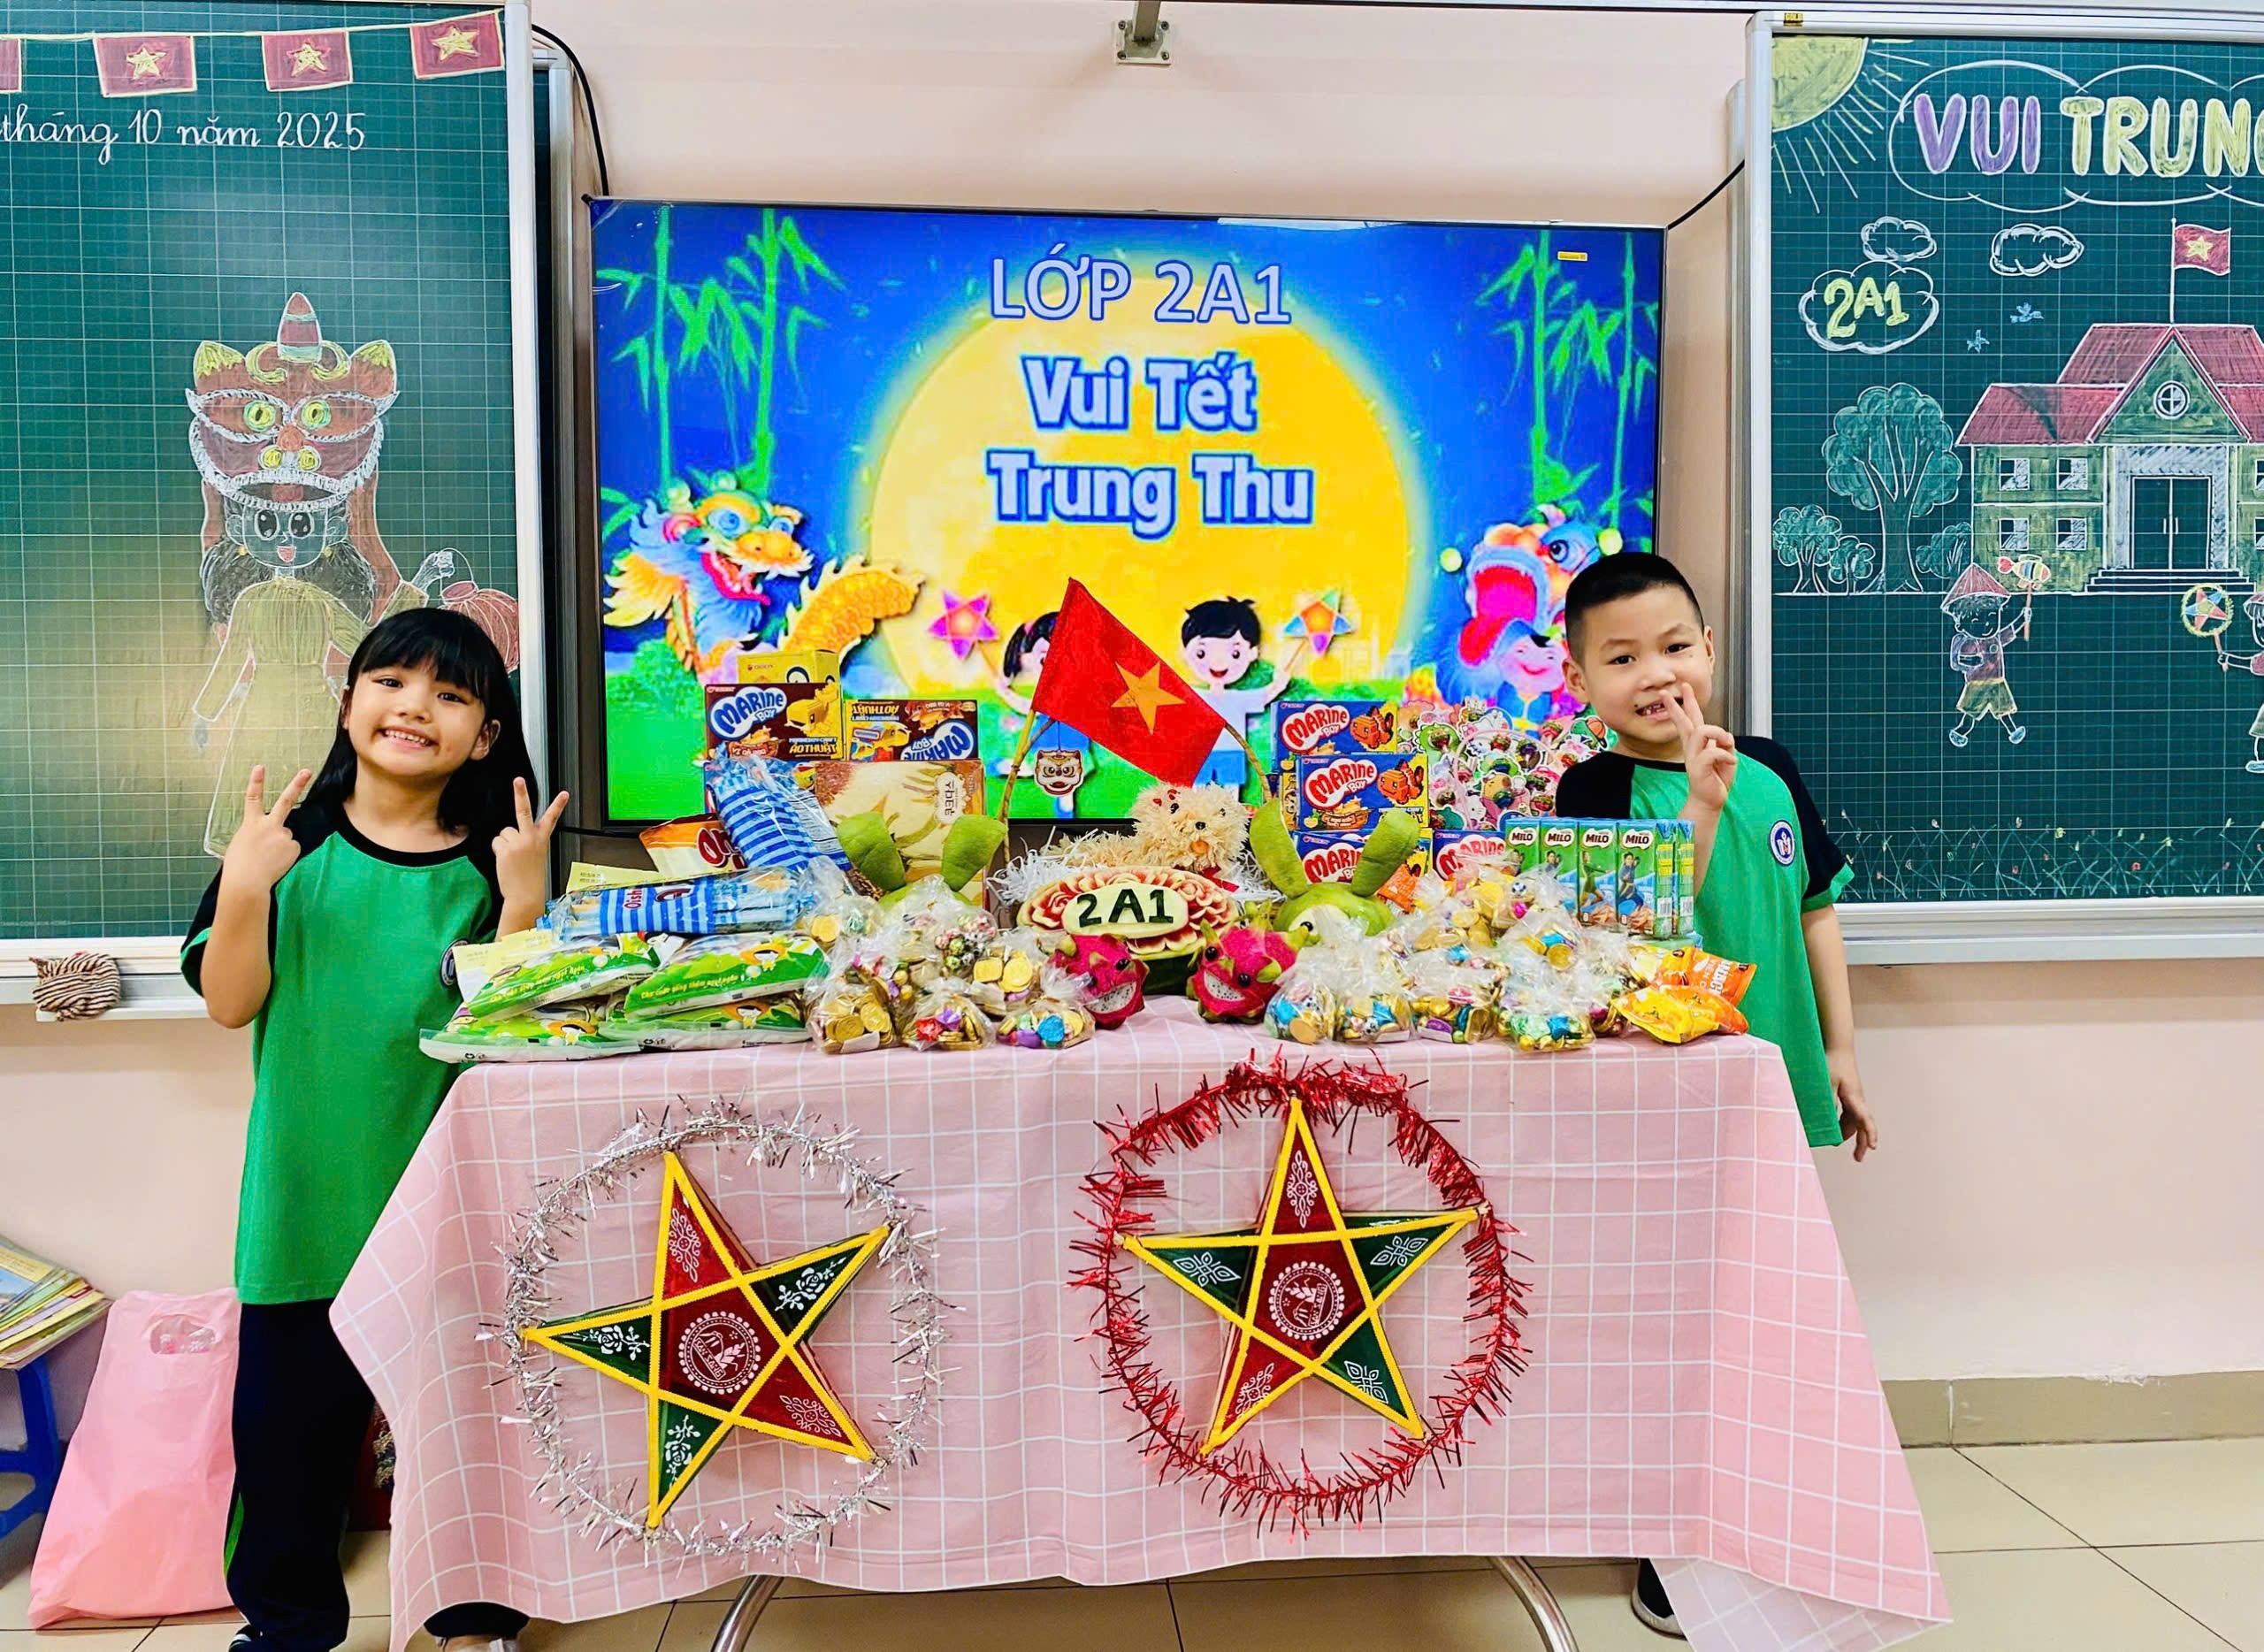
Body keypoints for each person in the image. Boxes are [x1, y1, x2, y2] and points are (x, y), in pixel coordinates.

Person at [182, 608, 564, 1652]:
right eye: (392, 681)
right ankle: (288, 1626)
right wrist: (250, 884)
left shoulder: (495, 864)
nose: (415, 707)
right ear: (348, 699)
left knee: (464, 1427)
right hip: (305, 1200)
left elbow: (515, 1036)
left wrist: (525, 911)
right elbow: (229, 1001)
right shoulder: (284, 843)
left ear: (486, 734)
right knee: (287, 1441)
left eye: (450, 695)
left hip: (449, 1205)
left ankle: (477, 1616)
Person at [1552, 553, 1880, 1639]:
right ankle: (1668, 1540)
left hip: (1774, 1082)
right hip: (1663, 1104)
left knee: (1762, 1310)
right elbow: (1629, 932)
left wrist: (1838, 1049)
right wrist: (1695, 801)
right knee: (1675, 1318)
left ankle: (1757, 1517)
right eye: (1623, 656)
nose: (1656, 674)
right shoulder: (1593, 789)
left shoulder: (1773, 765)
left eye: (1675, 645)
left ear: (1708, 647)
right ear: (1580, 675)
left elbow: (1815, 910)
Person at [1179, 596, 1297, 791]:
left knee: (1232, 795)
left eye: (1235, 654)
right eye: (1202, 653)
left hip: (1232, 753)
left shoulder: (1238, 700)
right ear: (1185, 651)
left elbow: (1266, 695)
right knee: (1197, 793)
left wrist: (1279, 683)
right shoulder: (1194, 695)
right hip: (1199, 752)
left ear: (1252, 653)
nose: (1218, 663)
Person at [988, 609, 1090, 816]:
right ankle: (1006, 766)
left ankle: (1065, 811)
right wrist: (1005, 691)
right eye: (1045, 660)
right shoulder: (1049, 694)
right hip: (1048, 741)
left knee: (1068, 782)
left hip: (1074, 744)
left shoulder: (1078, 692)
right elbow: (1029, 707)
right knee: (1036, 768)